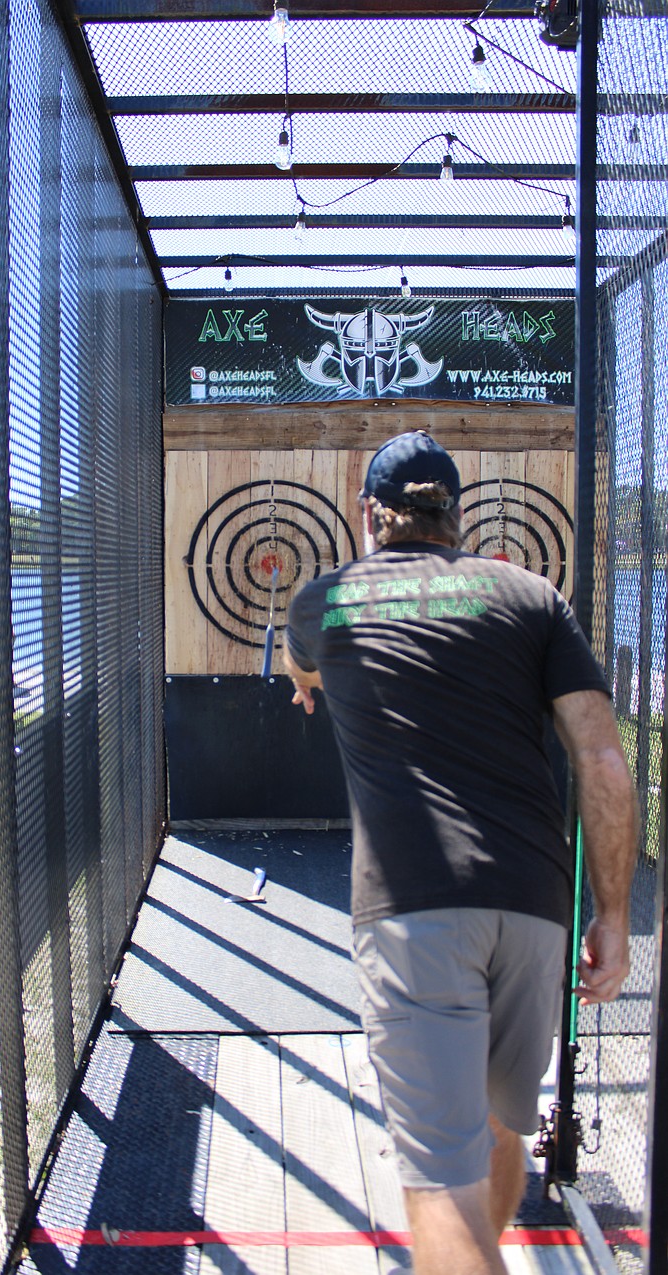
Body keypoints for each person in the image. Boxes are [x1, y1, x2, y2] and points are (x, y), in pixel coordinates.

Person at [282, 431, 637, 1275]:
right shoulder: (531, 596)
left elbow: (304, 668)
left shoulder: (327, 600)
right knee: (500, 1124)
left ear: (370, 515)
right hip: (534, 911)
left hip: (415, 912)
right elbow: (600, 756)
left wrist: (305, 682)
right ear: (456, 515)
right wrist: (615, 913)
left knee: (441, 1188)